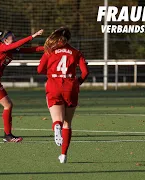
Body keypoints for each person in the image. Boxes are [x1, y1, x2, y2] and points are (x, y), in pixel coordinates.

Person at [37, 27, 89, 163]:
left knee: (57, 120)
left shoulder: (50, 51)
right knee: (68, 123)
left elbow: (39, 69)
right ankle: (63, 155)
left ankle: (56, 126)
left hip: (54, 85)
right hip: (70, 86)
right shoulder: (76, 52)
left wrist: (51, 74)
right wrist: (79, 82)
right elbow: (85, 72)